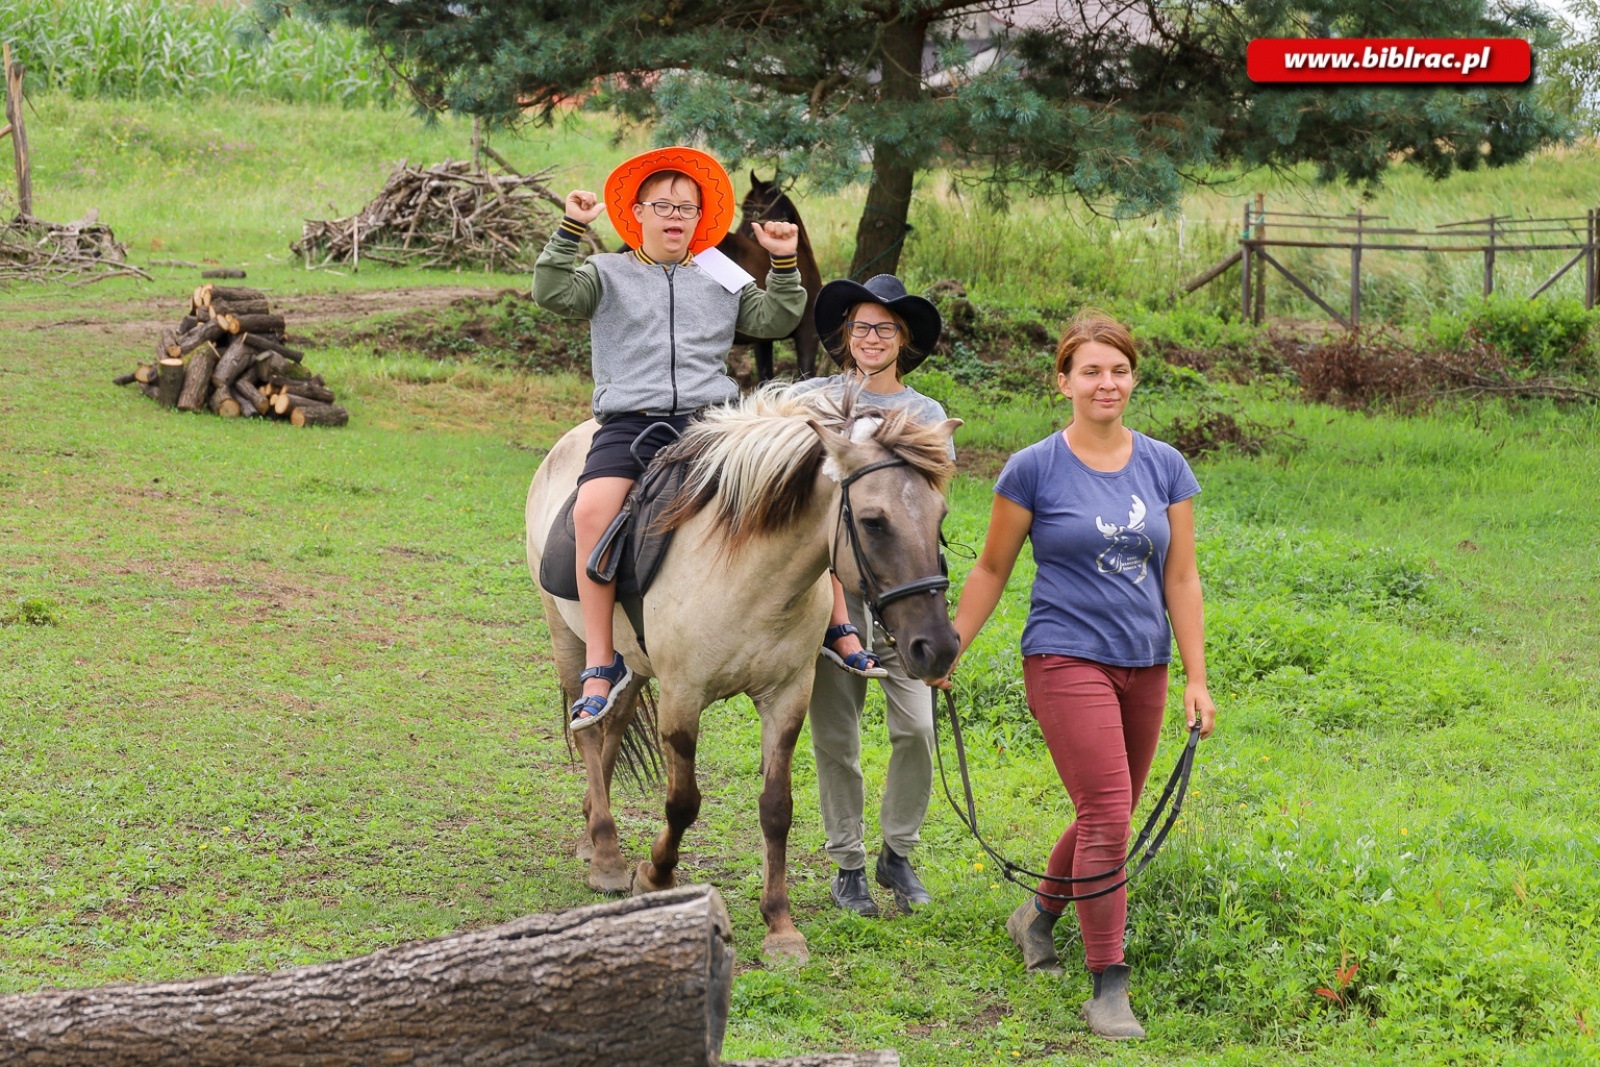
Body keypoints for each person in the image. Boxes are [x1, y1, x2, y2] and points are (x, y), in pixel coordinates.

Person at [937, 310, 1216, 1040]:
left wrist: (1196, 675)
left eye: (1119, 369)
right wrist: (952, 646)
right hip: (1064, 656)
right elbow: (992, 566)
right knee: (1106, 811)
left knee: (1109, 811)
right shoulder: (1033, 467)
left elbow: (1181, 576)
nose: (1106, 382)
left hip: (1145, 662)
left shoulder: (1165, 466)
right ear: (1063, 380)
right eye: (1090, 370)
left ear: (1134, 378)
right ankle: (1108, 984)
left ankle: (1036, 913)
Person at [534, 147, 806, 730]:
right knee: (592, 513)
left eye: (687, 206)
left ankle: (834, 628)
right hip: (630, 423)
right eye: (662, 205)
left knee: (801, 483)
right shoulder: (605, 273)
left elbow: (774, 320)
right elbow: (552, 293)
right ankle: (602, 664)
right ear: (637, 213)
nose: (675, 215)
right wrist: (569, 230)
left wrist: (783, 264)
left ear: (700, 216)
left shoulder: (722, 273)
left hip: (713, 423)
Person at [793, 274, 954, 916]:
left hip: (901, 593)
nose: (871, 338)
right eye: (861, 327)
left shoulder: (928, 415)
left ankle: (898, 853)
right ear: (844, 335)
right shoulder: (809, 402)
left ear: (903, 340)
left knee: (916, 730)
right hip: (829, 593)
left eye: (885, 329)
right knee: (838, 736)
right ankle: (848, 864)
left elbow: (926, 514)